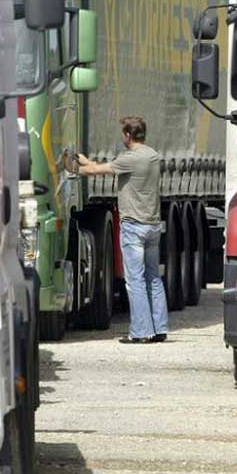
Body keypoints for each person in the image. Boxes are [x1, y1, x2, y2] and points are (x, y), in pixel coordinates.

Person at [69, 116, 168, 344]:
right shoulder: (153, 156)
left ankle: (141, 331)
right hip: (153, 225)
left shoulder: (130, 159)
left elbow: (96, 171)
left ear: (128, 136)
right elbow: (97, 166)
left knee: (135, 281)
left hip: (134, 226)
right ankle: (160, 327)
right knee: (154, 277)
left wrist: (73, 166)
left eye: (123, 134)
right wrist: (86, 161)